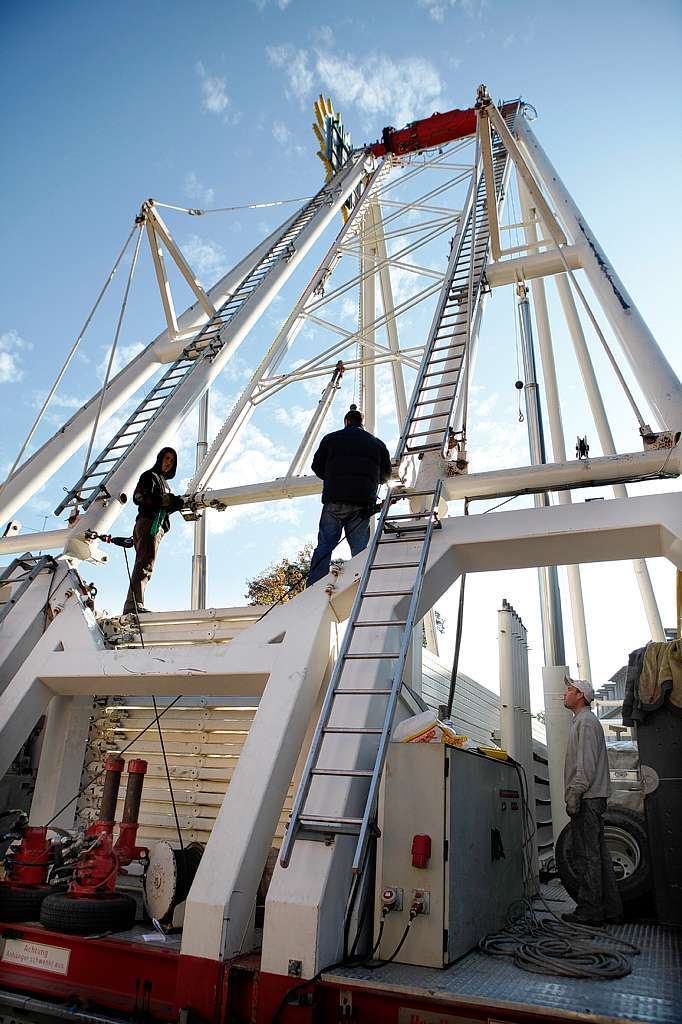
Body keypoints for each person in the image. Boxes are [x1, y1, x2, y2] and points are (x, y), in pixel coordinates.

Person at [306, 405, 391, 588]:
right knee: (359, 551)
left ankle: (314, 585)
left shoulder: (331, 439)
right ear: (362, 423)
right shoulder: (377, 443)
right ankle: (362, 583)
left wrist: (332, 477)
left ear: (346, 422)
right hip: (362, 505)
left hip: (334, 500)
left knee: (325, 546)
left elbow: (317, 466)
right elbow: (385, 476)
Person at [561, 676, 622, 924]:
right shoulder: (584, 721)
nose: (564, 693)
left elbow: (584, 764)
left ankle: (590, 910)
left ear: (580, 695)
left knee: (586, 855)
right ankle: (611, 909)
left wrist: (575, 793)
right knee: (598, 855)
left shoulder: (585, 723)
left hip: (587, 797)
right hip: (593, 797)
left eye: (569, 689)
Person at [122, 447, 184, 615]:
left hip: (157, 526)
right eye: (166, 458)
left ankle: (134, 603)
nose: (168, 463)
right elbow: (139, 497)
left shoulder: (166, 484)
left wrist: (174, 504)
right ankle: (134, 605)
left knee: (145, 563)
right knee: (145, 563)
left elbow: (164, 506)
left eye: (172, 460)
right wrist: (165, 500)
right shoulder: (149, 476)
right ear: (159, 458)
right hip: (149, 523)